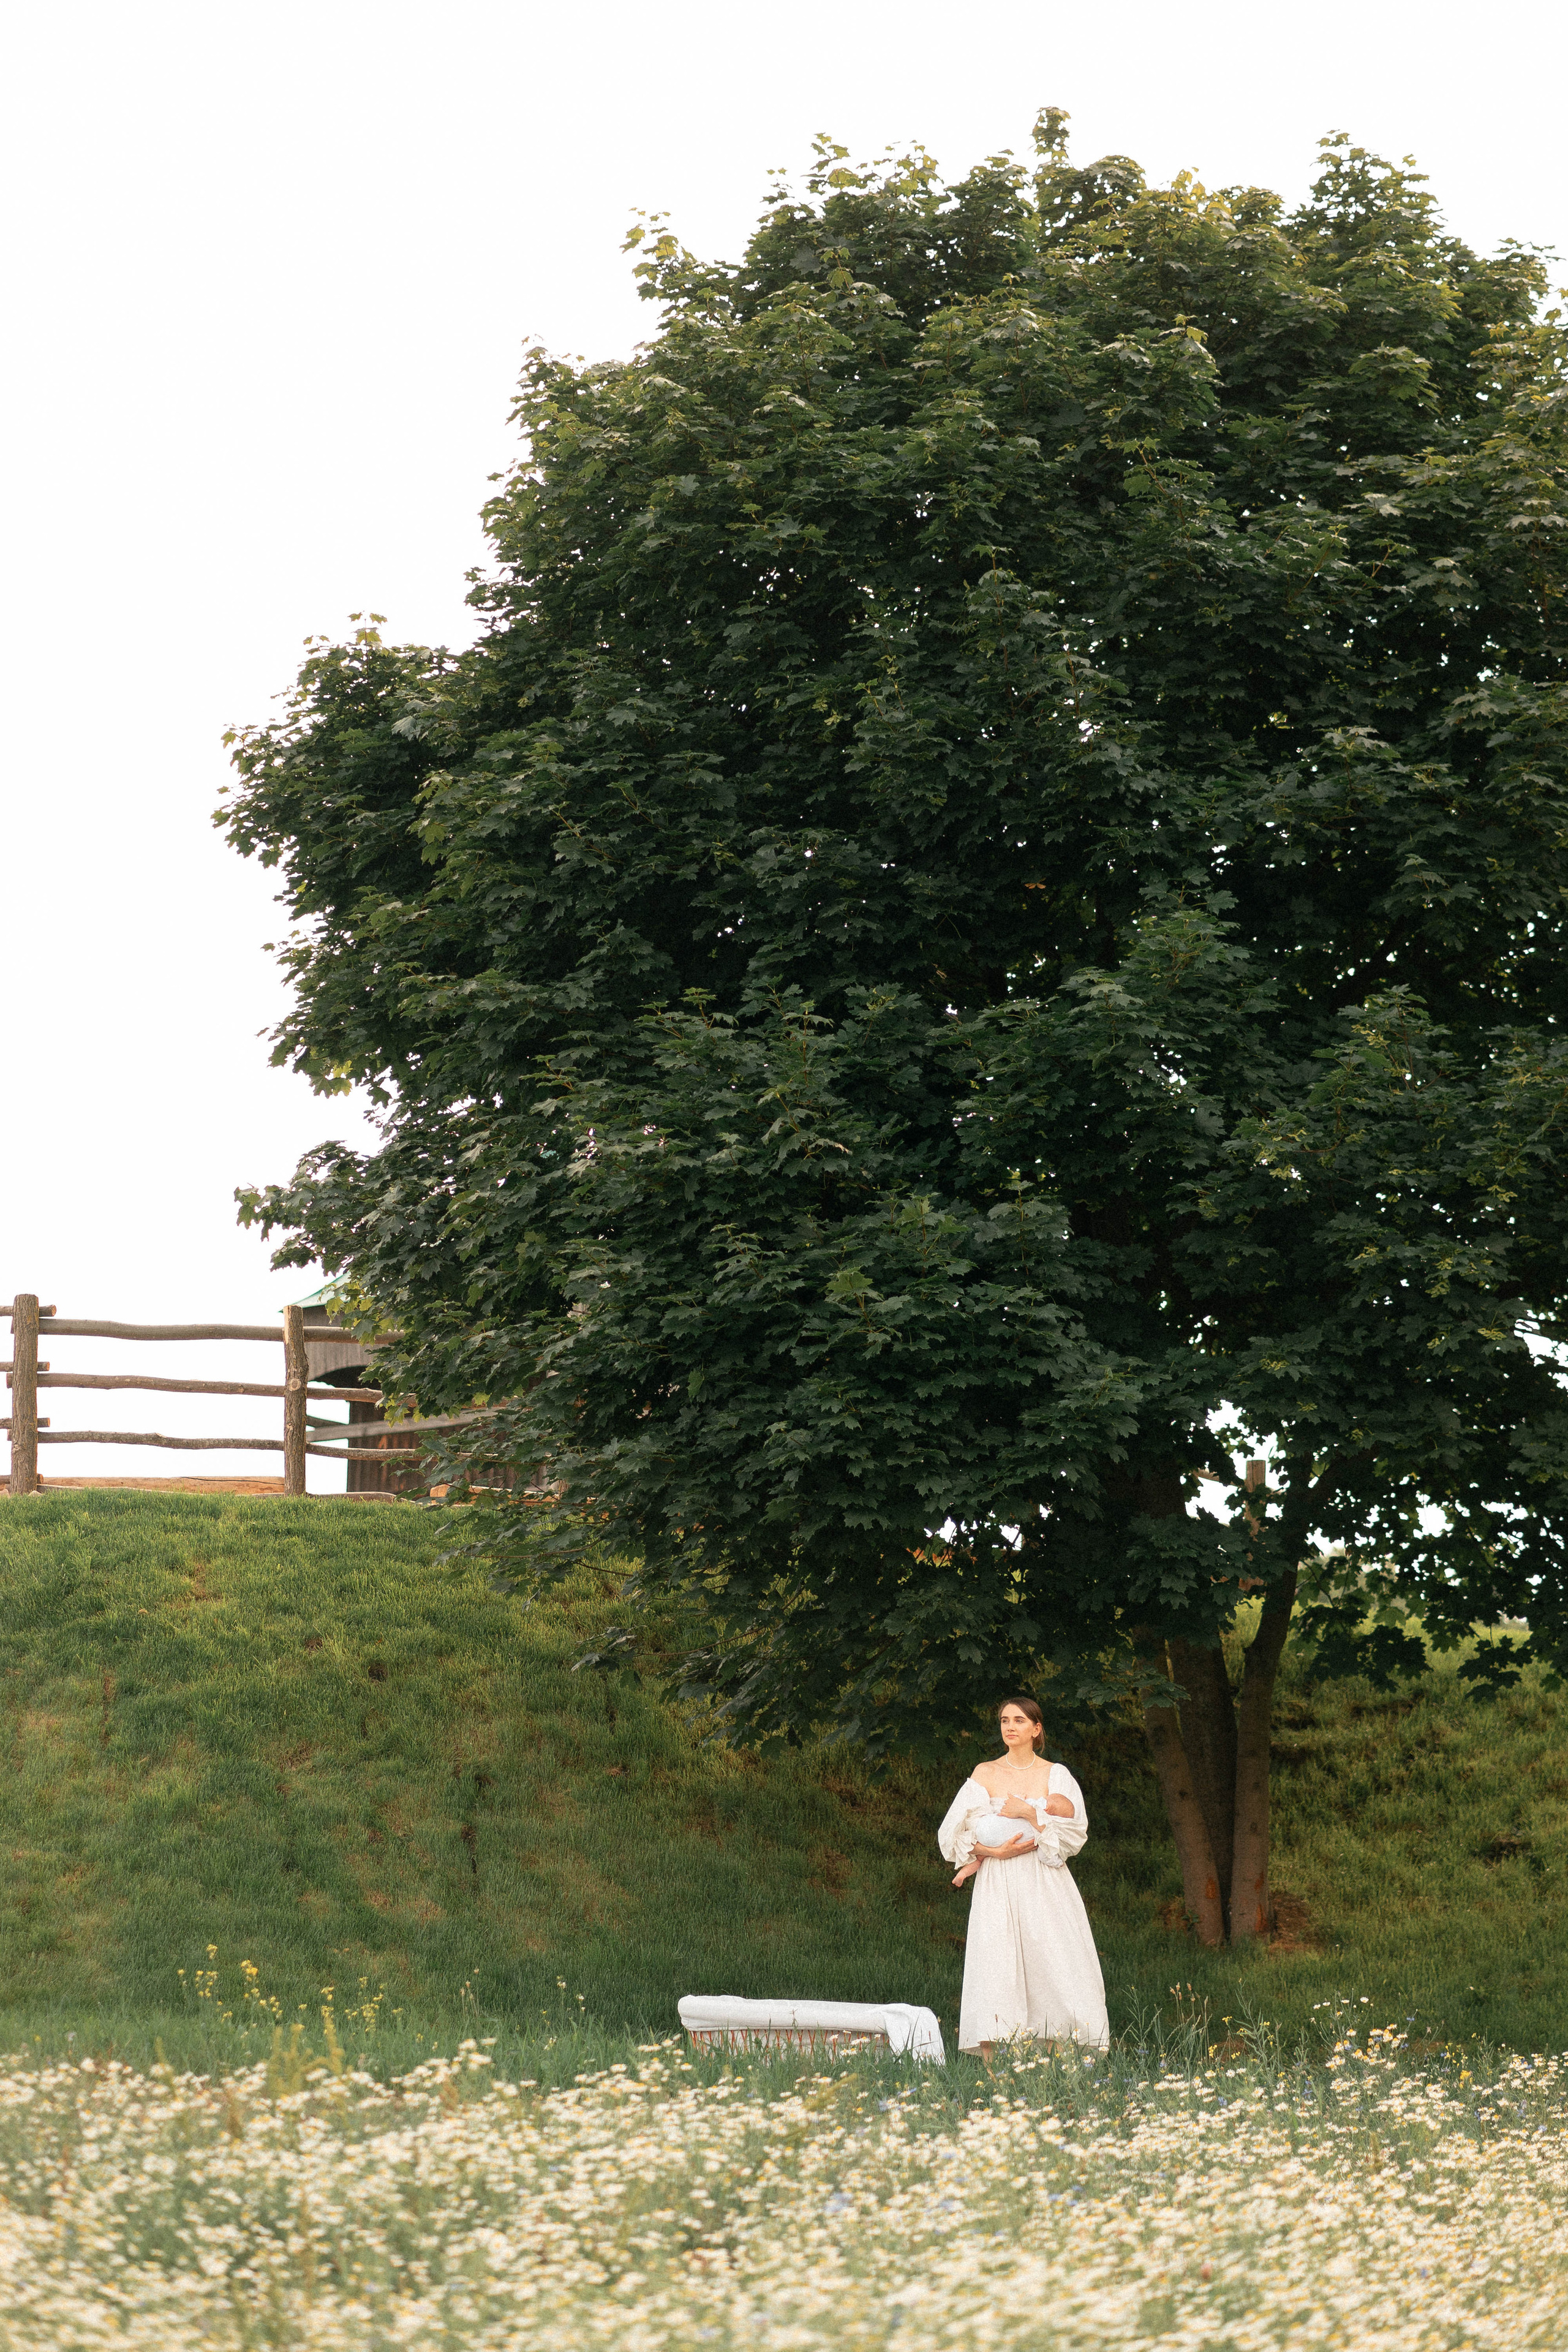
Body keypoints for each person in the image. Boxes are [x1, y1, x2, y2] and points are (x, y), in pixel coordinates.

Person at [937, 1695, 1109, 2058]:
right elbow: (954, 1834)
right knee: (997, 1961)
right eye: (1004, 1721)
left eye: (1018, 1720)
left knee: (1053, 1959)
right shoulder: (985, 1772)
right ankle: (997, 2069)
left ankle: (1059, 2062)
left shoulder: (1055, 1773)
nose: (1010, 1727)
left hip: (1044, 1879)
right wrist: (994, 1852)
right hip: (997, 1879)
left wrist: (1031, 1811)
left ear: (1036, 1728)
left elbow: (1072, 1833)